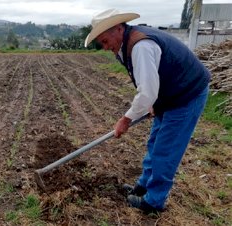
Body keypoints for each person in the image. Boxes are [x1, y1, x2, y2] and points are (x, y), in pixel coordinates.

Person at [84, 9, 210, 213]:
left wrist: (125, 119)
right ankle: (143, 187)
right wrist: (151, 102)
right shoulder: (124, 44)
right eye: (102, 44)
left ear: (118, 28)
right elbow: (148, 82)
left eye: (106, 41)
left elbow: (147, 92)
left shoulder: (140, 46)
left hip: (187, 95)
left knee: (165, 150)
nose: (106, 47)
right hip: (169, 94)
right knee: (154, 141)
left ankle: (153, 202)